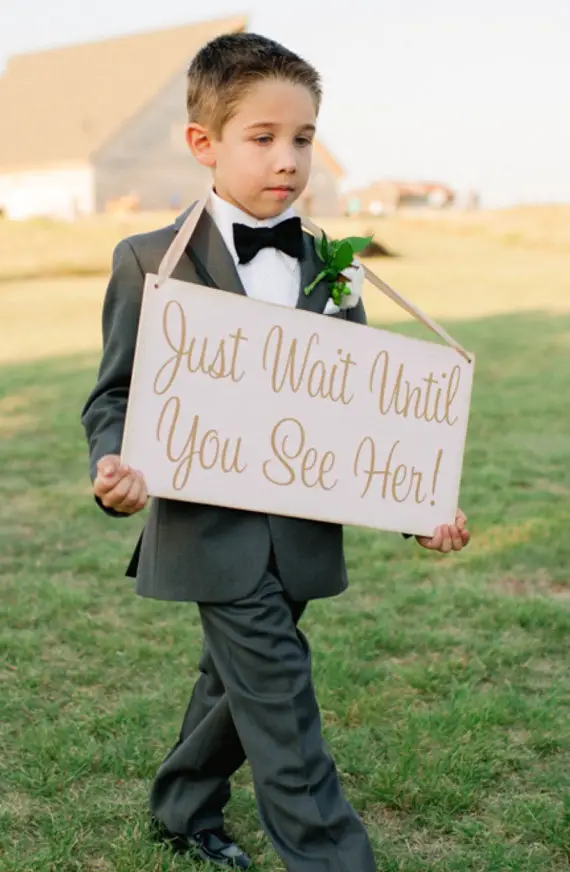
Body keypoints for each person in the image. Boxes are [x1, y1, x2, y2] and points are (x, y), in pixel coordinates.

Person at [81, 31, 470, 872]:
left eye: (303, 137)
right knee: (284, 707)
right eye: (262, 138)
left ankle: (183, 808)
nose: (287, 158)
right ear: (203, 144)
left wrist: (420, 511)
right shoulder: (149, 260)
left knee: (237, 685)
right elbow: (114, 393)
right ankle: (333, 858)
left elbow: (368, 412)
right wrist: (112, 466)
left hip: (298, 530)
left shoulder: (336, 268)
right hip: (205, 530)